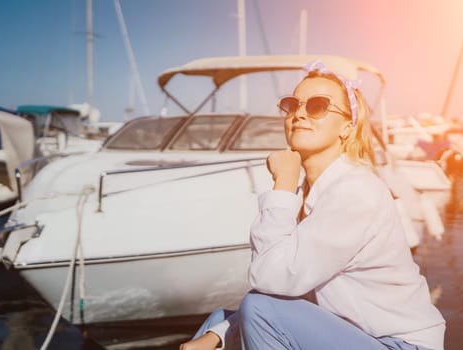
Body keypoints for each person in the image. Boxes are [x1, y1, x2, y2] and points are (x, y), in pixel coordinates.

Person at [180, 60, 446, 350]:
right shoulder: (312, 191)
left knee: (259, 308)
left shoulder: (354, 191)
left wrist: (282, 184)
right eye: (293, 105)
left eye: (318, 106)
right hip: (358, 336)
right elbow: (294, 290)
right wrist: (220, 333)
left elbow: (271, 280)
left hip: (399, 345)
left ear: (347, 126)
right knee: (221, 319)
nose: (299, 115)